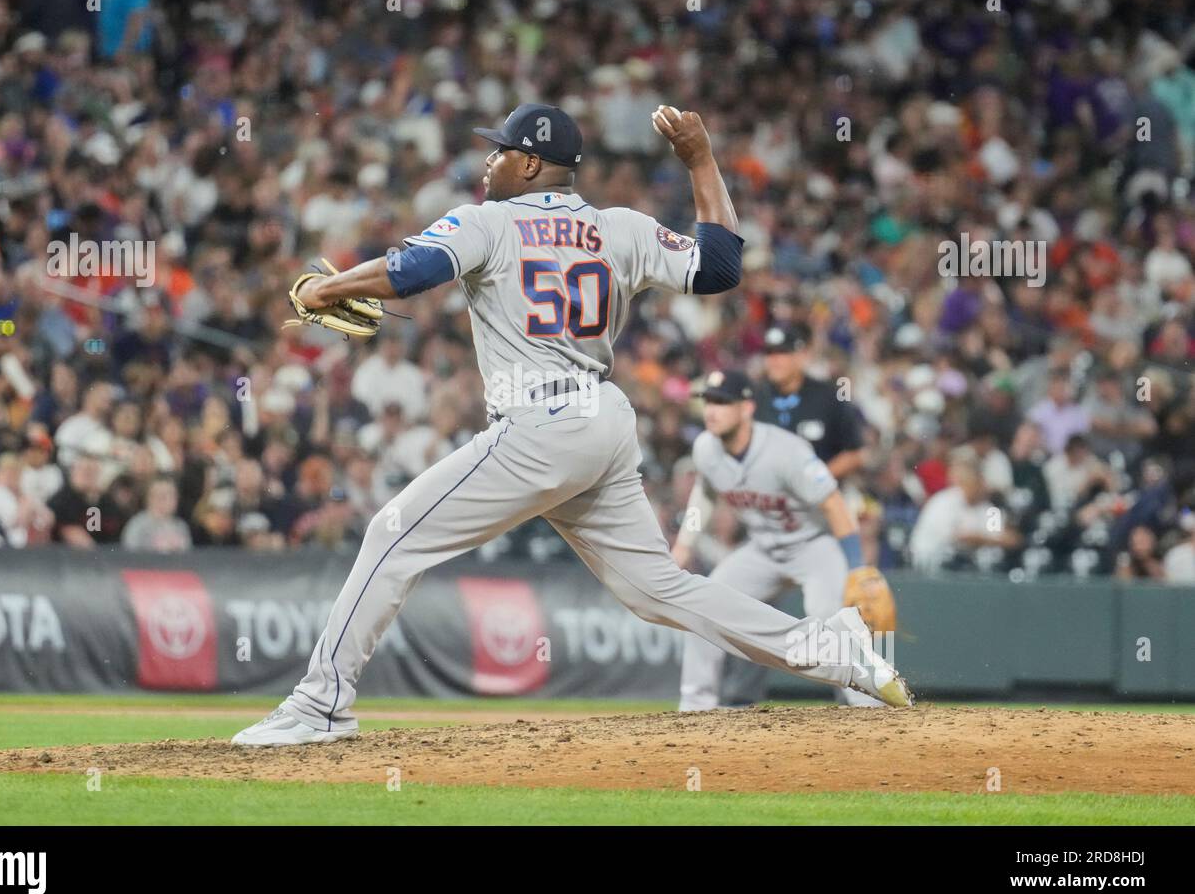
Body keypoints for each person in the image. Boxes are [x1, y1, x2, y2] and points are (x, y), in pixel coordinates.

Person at [233, 103, 912, 746]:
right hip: (603, 418)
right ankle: (831, 650)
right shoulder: (620, 227)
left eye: (500, 150)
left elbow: (411, 270)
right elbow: (721, 267)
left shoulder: (487, 221)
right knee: (658, 590)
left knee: (391, 534)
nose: (489, 160)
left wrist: (326, 288)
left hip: (540, 421)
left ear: (531, 164)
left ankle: (319, 705)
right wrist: (702, 160)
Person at [672, 369, 883, 711]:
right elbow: (704, 496)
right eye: (708, 401)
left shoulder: (786, 451)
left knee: (831, 618)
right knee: (703, 607)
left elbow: (834, 504)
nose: (712, 410)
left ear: (747, 408)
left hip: (813, 545)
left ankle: (868, 705)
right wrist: (684, 544)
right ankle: (695, 707)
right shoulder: (706, 449)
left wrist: (857, 566)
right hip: (763, 548)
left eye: (723, 402)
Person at [753, 323, 867, 481]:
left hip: (817, 500)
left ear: (802, 355)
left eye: (782, 352)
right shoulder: (754, 398)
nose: (774, 360)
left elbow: (855, 453)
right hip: (767, 496)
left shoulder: (829, 396)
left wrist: (815, 480)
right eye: (769, 353)